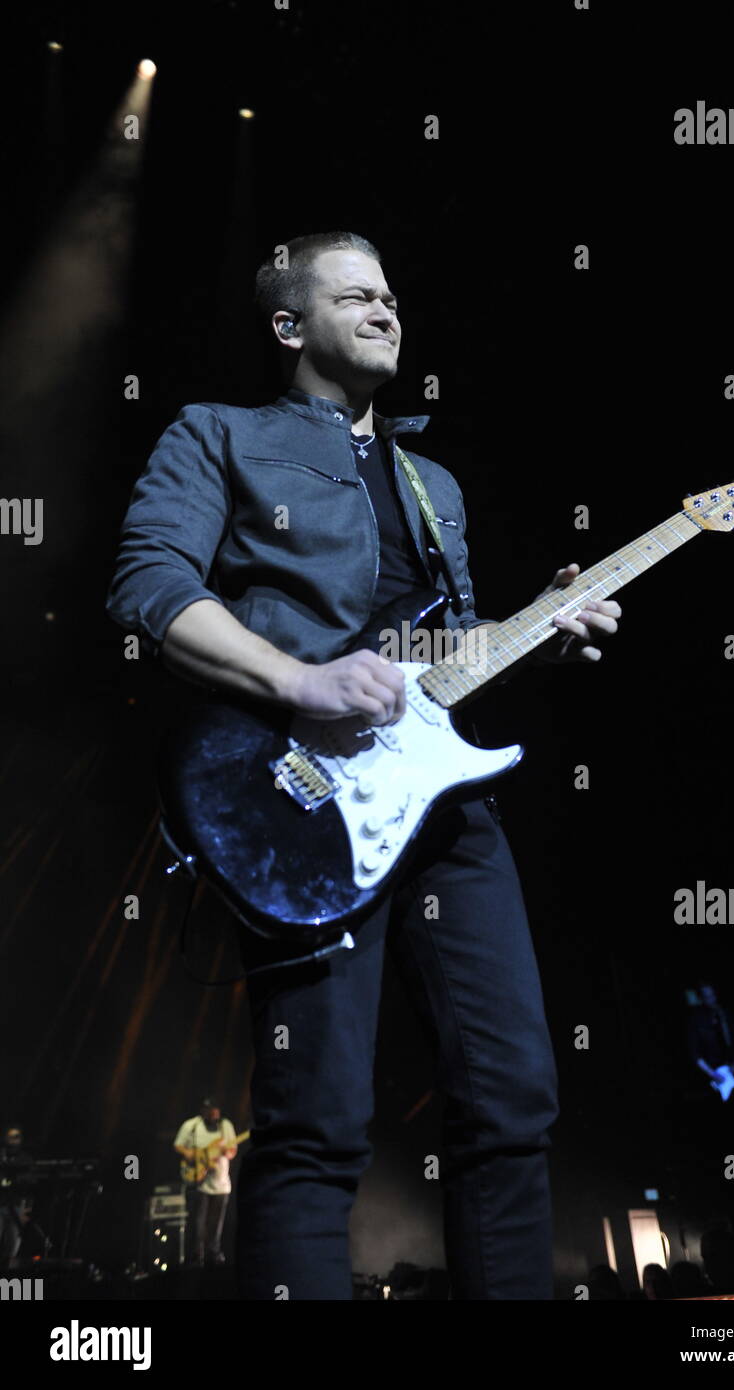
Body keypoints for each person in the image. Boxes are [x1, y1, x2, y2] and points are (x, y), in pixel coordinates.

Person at [107, 230, 622, 1299]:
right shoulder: (219, 435)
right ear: (290, 326)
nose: (387, 310)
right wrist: (300, 683)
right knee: (316, 1117)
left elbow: (443, 673)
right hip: (296, 802)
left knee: (515, 1097)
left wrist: (539, 631)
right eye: (355, 297)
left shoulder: (432, 482)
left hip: (445, 813)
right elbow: (150, 587)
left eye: (391, 294)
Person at [173, 1098, 238, 1267]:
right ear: (203, 1110)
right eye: (209, 1110)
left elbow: (233, 1151)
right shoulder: (192, 1125)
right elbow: (178, 1145)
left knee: (216, 1223)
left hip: (221, 1183)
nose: (213, 1113)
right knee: (198, 1222)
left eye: (215, 1110)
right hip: (199, 1181)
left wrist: (225, 1152)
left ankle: (213, 1255)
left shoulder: (226, 1126)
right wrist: (192, 1155)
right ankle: (196, 1256)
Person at [688, 981, 734, 1089]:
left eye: (712, 995)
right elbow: (695, 1054)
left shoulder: (723, 1013)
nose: (711, 999)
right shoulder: (696, 1020)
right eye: (707, 996)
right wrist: (712, 1074)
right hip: (715, 1074)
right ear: (702, 998)